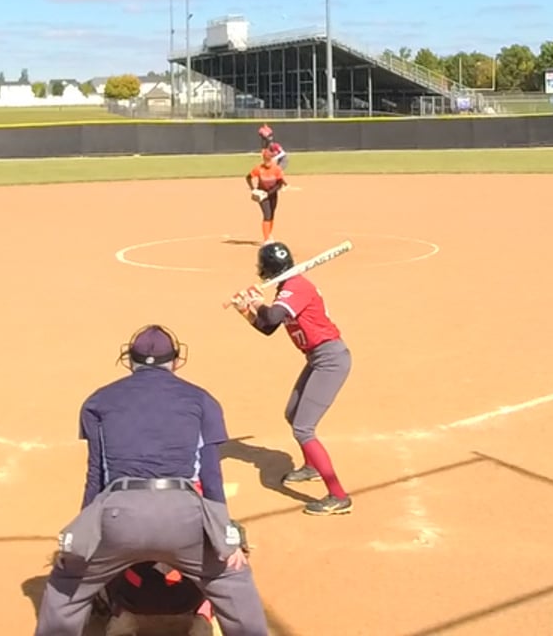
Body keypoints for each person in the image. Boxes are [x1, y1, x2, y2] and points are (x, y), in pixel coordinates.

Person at [33, 325, 269, 636]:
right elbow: (212, 478)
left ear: (129, 359)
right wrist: (226, 539)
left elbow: (96, 477)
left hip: (119, 515)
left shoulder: (98, 401)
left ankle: (119, 613)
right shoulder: (202, 401)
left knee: (67, 582)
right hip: (184, 515)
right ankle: (203, 616)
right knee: (233, 578)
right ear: (176, 360)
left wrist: (80, 538)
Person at [231, 242, 353, 516]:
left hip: (330, 359)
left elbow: (273, 314)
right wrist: (246, 310)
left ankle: (338, 496)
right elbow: (268, 326)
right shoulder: (286, 288)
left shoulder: (296, 287)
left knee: (303, 428)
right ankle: (312, 467)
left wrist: (257, 302)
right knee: (293, 413)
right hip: (317, 358)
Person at [245, 147, 286, 243]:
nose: (267, 162)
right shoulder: (258, 169)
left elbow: (279, 184)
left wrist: (268, 193)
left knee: (272, 214)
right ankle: (266, 239)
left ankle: (269, 234)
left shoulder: (276, 169)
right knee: (267, 215)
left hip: (272, 194)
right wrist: (253, 189)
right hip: (262, 195)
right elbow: (248, 177)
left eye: (269, 159)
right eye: (266, 160)